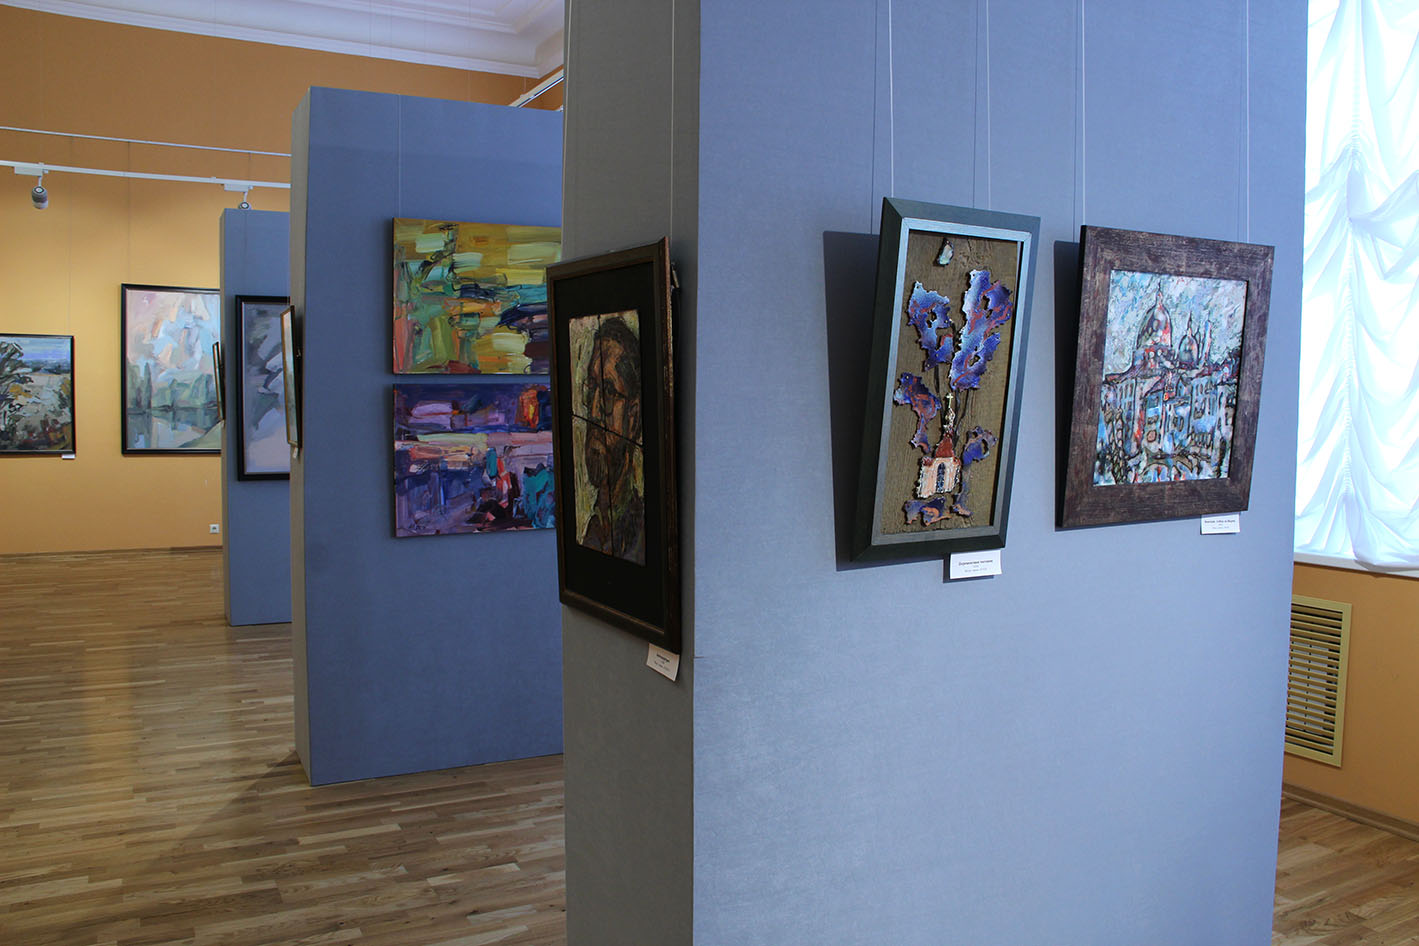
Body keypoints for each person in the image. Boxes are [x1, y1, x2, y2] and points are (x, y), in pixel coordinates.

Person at [578, 314, 646, 564]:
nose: (594, 412)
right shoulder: (593, 532)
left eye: (608, 391)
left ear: (633, 418)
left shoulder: (640, 534)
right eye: (592, 388)